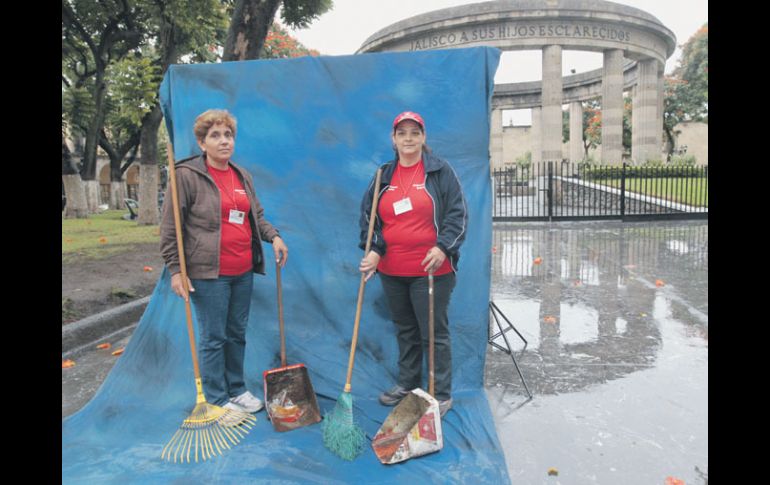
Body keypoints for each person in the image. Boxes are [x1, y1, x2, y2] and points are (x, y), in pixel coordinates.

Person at [160, 109, 288, 416]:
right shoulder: (186, 176)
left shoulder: (242, 175)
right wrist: (176, 270)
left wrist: (275, 237)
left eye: (228, 135)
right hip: (208, 273)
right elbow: (170, 228)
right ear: (201, 143)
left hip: (242, 270)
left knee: (236, 333)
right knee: (214, 337)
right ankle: (217, 399)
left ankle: (237, 389)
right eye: (215, 135)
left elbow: (255, 216)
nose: (224, 141)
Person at [358, 111, 467, 417]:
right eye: (402, 133)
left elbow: (457, 214)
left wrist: (443, 248)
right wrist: (375, 251)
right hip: (392, 270)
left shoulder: (439, 171)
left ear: (423, 137)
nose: (408, 138)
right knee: (405, 330)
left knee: (433, 332)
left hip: (431, 270)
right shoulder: (383, 175)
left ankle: (440, 393)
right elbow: (369, 219)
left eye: (414, 133)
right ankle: (408, 384)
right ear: (393, 139)